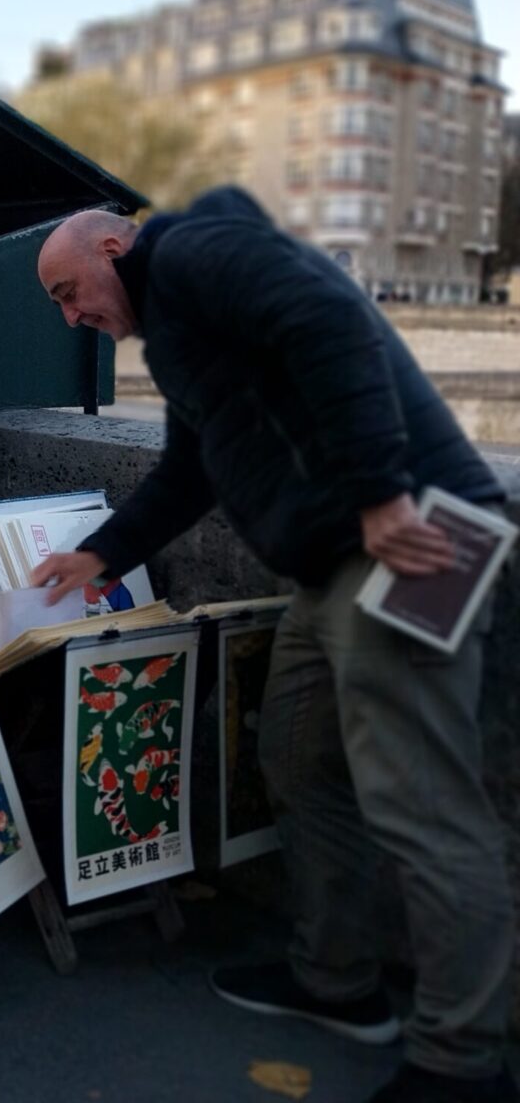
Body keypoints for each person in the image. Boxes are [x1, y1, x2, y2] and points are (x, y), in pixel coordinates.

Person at [32, 187, 512, 1103]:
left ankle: (464, 1062)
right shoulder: (181, 333)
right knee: (292, 754)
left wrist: (380, 491)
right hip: (333, 568)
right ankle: (337, 982)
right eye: (59, 305)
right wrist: (103, 552)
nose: (73, 316)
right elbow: (193, 464)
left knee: (426, 806)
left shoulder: (195, 253)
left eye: (68, 289)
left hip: (413, 540)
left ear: (113, 244)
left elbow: (331, 318)